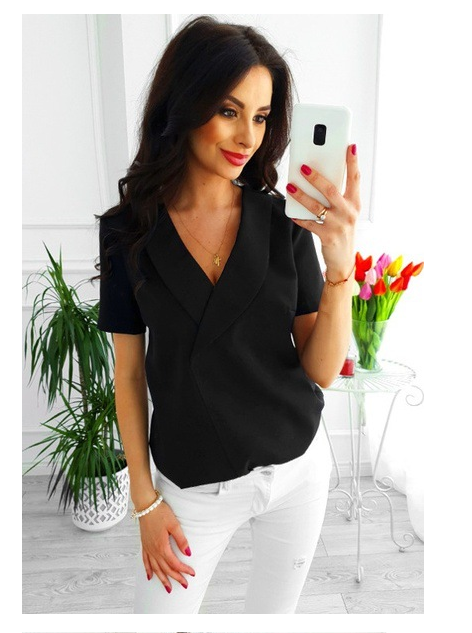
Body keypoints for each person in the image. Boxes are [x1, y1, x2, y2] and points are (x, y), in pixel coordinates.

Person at [95, 15, 360, 614]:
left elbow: (319, 370)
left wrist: (339, 268)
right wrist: (144, 501)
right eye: (228, 110)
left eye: (261, 117)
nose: (247, 136)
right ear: (185, 105)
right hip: (193, 488)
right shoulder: (128, 234)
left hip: (296, 471)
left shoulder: (284, 224)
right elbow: (128, 376)